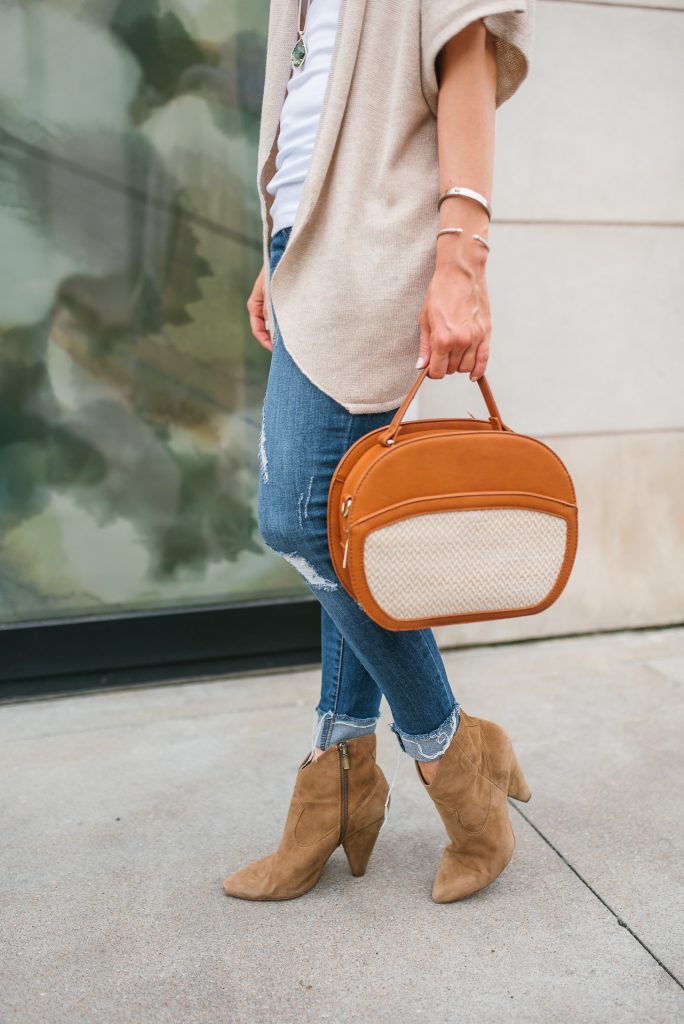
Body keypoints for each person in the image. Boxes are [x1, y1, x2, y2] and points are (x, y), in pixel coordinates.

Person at [224, 0, 536, 903]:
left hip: (374, 250)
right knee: (347, 526)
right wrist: (281, 249)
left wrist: (462, 257)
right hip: (309, 245)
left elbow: (467, 59)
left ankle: (450, 750)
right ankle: (340, 776)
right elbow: (315, 99)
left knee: (296, 521)